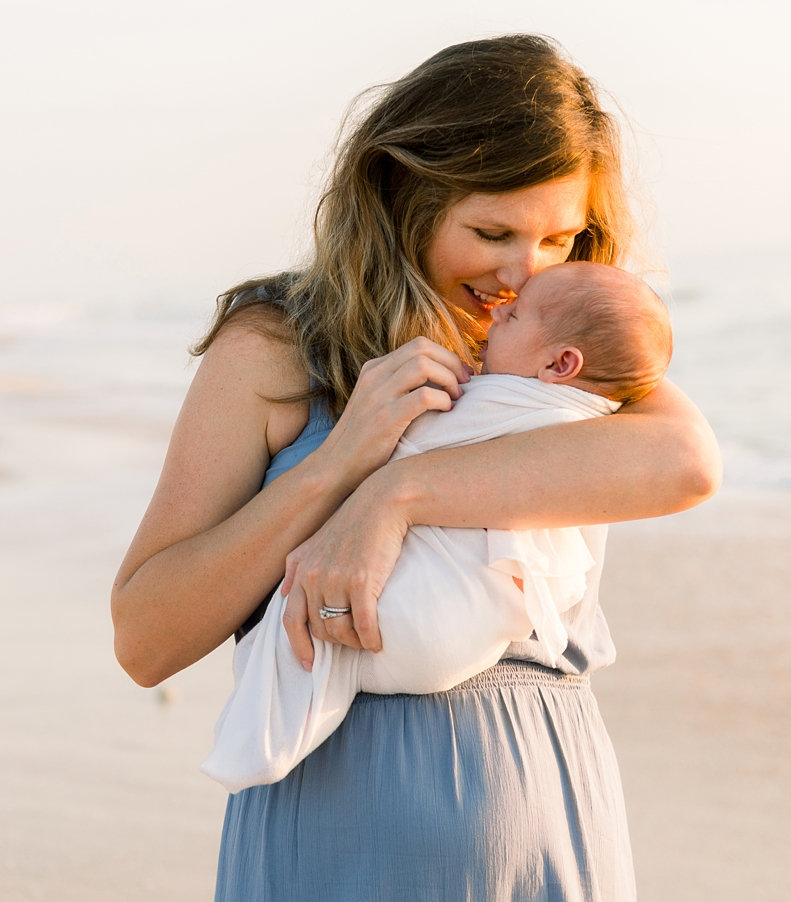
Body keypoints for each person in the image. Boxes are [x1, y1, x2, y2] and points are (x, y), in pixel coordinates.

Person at [111, 34, 721, 902]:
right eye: (491, 231)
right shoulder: (276, 351)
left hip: (537, 796)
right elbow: (146, 637)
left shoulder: (567, 354)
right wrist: (337, 468)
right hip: (329, 817)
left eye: (560, 238)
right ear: (405, 198)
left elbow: (690, 464)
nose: (523, 274)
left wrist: (393, 496)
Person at [201, 261, 674, 792]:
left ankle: (258, 736)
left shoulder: (518, 403)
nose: (501, 309)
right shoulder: (600, 420)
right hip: (468, 653)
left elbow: (692, 463)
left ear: (561, 363)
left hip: (430, 634)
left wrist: (385, 481)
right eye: (492, 235)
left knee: (300, 633)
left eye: (514, 317)